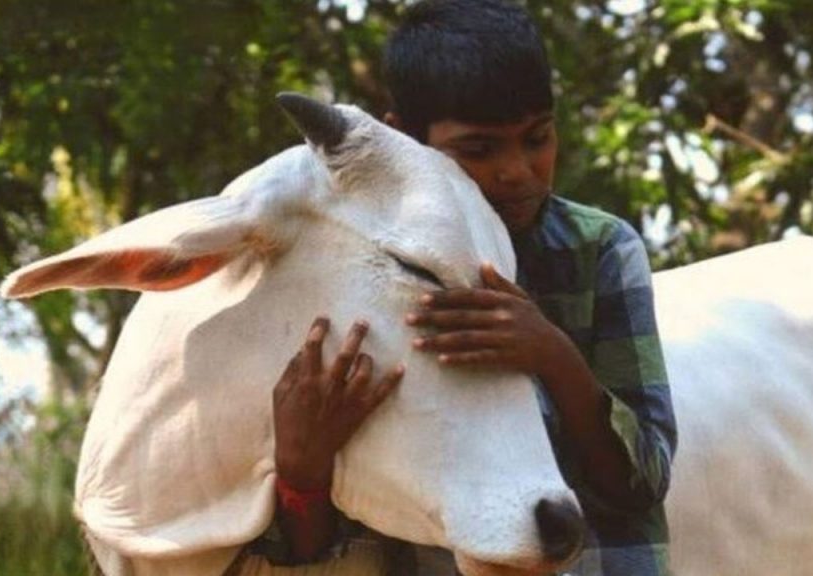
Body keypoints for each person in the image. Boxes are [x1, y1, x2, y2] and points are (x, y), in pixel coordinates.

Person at [254, 1, 676, 574]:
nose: (517, 171)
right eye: (478, 150)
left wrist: (553, 355)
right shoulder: (356, 268)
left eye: (538, 138)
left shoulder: (601, 251)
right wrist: (302, 473)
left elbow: (644, 482)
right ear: (402, 140)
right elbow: (324, 543)